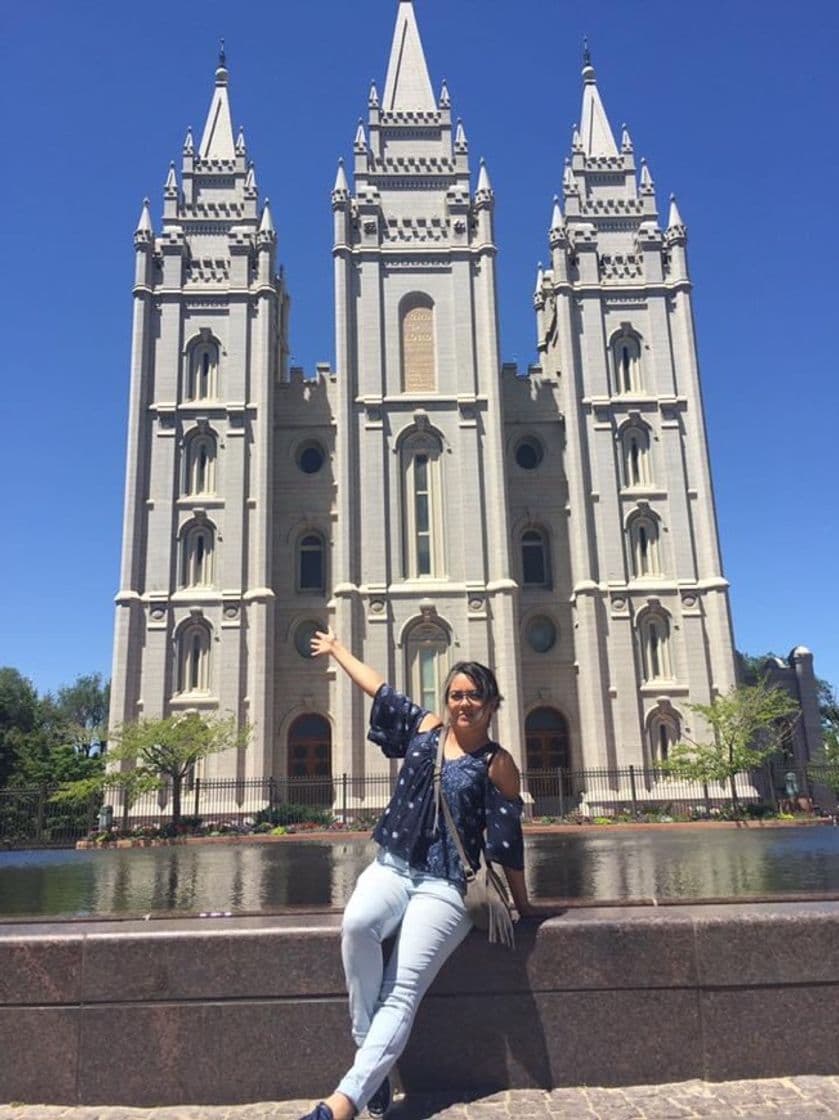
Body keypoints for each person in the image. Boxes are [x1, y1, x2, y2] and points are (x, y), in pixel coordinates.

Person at [298, 628, 535, 1120]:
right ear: (446, 701)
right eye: (456, 695)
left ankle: (340, 1104)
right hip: (395, 865)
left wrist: (524, 905)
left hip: (447, 887)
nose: (463, 703)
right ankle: (372, 1060)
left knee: (400, 990)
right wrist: (339, 650)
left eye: (473, 696)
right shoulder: (426, 731)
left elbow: (507, 843)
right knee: (358, 925)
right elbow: (379, 689)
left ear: (491, 704)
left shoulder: (498, 764)